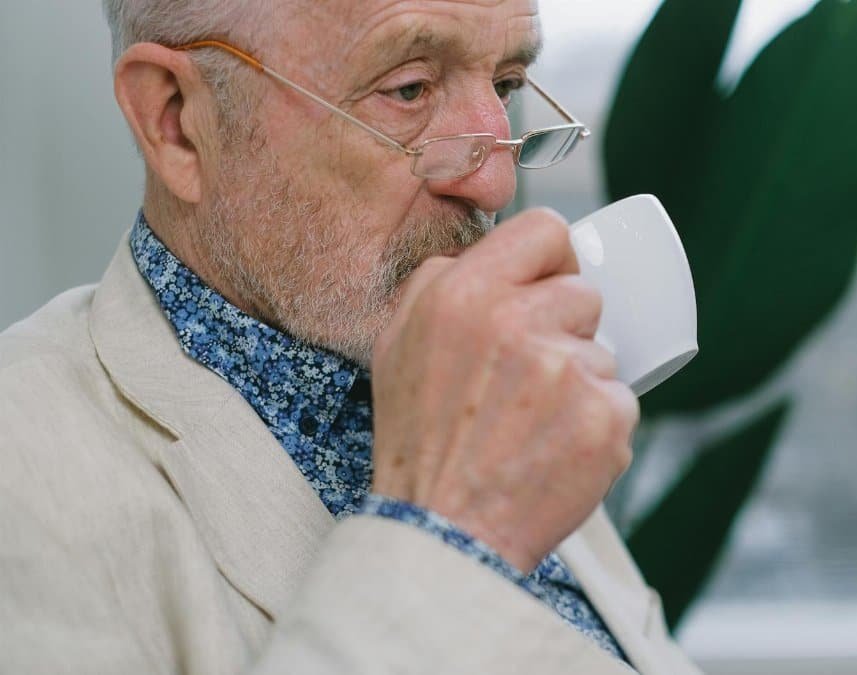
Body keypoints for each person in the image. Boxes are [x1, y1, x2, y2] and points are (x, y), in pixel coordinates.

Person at [0, 1, 702, 673]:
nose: (496, 180)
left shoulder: (477, 375)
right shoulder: (24, 471)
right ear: (178, 121)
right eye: (410, 89)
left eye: (506, 84)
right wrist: (449, 530)